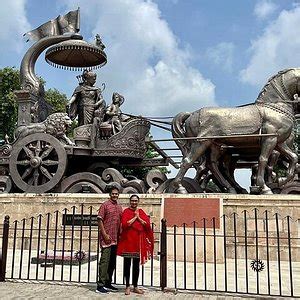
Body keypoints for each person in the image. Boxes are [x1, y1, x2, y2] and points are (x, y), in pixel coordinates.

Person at [117, 194, 154, 295]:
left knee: (136, 266)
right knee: (127, 265)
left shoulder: (141, 212)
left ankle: (135, 286)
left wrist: (139, 218)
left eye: (135, 201)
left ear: (138, 202)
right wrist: (135, 218)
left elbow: (146, 224)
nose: (134, 202)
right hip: (128, 242)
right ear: (130, 201)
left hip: (138, 243)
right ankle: (127, 286)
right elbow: (125, 224)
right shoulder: (126, 212)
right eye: (132, 201)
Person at [96, 186, 123, 294]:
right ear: (110, 194)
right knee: (104, 262)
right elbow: (99, 220)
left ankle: (108, 282)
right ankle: (100, 285)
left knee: (112, 263)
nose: (115, 195)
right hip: (106, 238)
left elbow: (121, 222)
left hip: (115, 238)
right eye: (113, 194)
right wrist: (104, 234)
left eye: (116, 194)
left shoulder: (119, 207)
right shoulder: (105, 205)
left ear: (118, 195)